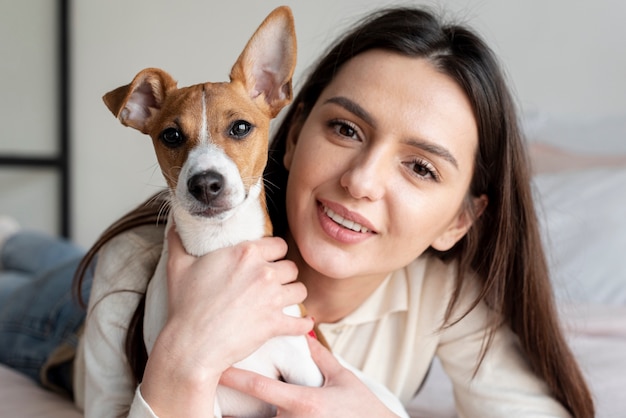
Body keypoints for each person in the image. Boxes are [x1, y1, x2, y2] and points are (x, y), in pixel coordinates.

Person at [0, 6, 594, 417]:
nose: (361, 181)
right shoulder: (134, 272)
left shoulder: (447, 298)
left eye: (421, 167)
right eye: (344, 128)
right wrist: (182, 353)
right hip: (69, 322)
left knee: (35, 249)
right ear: (293, 131)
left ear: (458, 221)